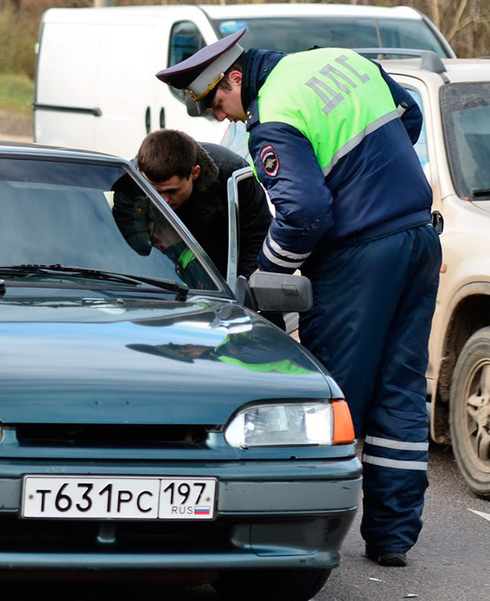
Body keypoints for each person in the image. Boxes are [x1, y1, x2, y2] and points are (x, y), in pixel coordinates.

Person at [157, 29, 441, 567]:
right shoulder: (338, 60)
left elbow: (305, 212)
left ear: (236, 77)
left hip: (359, 255)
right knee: (401, 388)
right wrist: (377, 181)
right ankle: (393, 536)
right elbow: (407, 117)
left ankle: (301, 529)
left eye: (217, 100)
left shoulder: (275, 112)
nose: (222, 118)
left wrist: (268, 276)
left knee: (332, 396)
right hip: (419, 236)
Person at [135, 130, 271, 279]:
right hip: (156, 279)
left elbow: (257, 239)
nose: (164, 200)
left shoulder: (233, 175)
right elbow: (126, 238)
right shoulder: (131, 178)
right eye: (154, 192)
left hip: (224, 280)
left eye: (172, 191)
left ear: (195, 173)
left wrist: (244, 289)